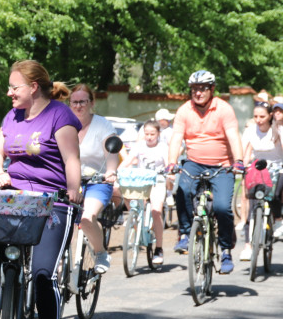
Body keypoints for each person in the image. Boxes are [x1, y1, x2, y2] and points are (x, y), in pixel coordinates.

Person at [0, 60, 81, 319]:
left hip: (52, 201)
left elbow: (71, 159)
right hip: (16, 197)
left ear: (33, 87)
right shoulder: (12, 116)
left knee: (41, 276)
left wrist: (73, 191)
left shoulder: (59, 116)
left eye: (14, 87)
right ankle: (2, 278)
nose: (9, 93)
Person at [167, 70, 243, 274]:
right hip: (194, 162)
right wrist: (171, 163)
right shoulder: (184, 110)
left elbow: (234, 136)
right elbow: (176, 137)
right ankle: (184, 234)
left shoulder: (224, 109)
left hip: (222, 165)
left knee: (221, 208)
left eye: (202, 88)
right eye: (194, 89)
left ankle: (226, 249)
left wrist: (239, 162)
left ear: (212, 89)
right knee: (182, 189)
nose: (198, 93)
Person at [68, 83, 120, 273]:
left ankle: (100, 253)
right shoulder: (64, 124)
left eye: (83, 101)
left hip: (97, 181)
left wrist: (111, 171)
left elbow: (111, 150)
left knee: (87, 217)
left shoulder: (101, 124)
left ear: (91, 102)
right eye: (74, 102)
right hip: (70, 182)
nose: (78, 106)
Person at [120, 119, 170, 264]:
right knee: (130, 199)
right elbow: (129, 160)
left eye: (152, 134)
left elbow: (168, 164)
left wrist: (170, 173)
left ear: (158, 134)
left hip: (157, 181)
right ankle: (137, 228)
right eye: (147, 134)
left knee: (156, 211)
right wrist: (117, 171)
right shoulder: (139, 145)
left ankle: (159, 248)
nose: (149, 137)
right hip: (141, 181)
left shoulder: (163, 147)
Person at [240, 100, 283, 250]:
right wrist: (240, 164)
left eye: (262, 116)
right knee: (252, 201)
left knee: (276, 195)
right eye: (256, 116)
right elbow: (242, 148)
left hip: (278, 165)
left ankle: (277, 219)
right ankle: (248, 245)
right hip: (258, 166)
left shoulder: (277, 129)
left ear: (270, 115)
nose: (258, 120)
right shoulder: (251, 130)